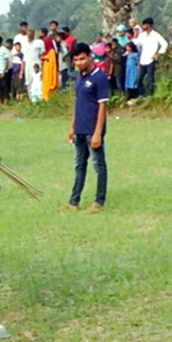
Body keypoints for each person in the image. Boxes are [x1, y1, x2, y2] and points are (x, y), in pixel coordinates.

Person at [61, 43, 109, 214]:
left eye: (82, 59)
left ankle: (99, 201)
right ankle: (73, 202)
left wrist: (97, 133)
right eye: (76, 60)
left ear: (90, 56)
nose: (79, 63)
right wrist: (72, 127)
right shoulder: (79, 77)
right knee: (79, 166)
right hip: (80, 130)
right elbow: (78, 103)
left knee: (98, 166)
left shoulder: (99, 78)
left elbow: (102, 107)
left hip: (92, 130)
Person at [133, 17, 168, 97]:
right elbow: (137, 43)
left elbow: (164, 44)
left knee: (150, 79)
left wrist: (158, 54)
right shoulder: (143, 35)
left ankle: (150, 95)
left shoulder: (155, 35)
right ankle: (141, 94)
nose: (143, 26)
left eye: (144, 24)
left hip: (151, 60)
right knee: (139, 79)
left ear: (149, 25)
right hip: (143, 60)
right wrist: (134, 35)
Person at [21, 29, 44, 102]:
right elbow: (24, 57)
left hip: (36, 63)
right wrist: (22, 70)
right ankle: (31, 98)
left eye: (31, 34)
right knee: (29, 81)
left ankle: (40, 97)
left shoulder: (39, 42)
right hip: (28, 64)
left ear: (34, 34)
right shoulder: (24, 44)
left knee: (38, 80)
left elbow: (42, 52)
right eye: (28, 34)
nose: (30, 35)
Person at [40, 28, 59, 101]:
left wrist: (44, 57)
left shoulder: (51, 52)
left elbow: (52, 63)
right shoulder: (47, 52)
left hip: (50, 70)